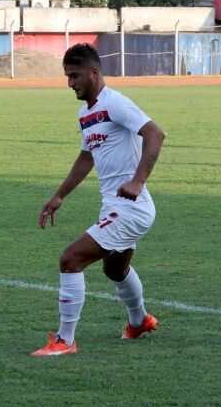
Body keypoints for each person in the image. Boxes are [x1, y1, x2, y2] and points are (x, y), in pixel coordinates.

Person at [31, 43, 166, 356]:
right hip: (115, 206)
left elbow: (155, 134)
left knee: (70, 259)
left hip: (131, 208)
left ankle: (65, 341)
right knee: (115, 270)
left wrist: (138, 180)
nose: (70, 83)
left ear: (94, 72)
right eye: (67, 76)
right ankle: (139, 321)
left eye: (75, 75)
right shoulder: (86, 114)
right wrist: (59, 195)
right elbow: (86, 157)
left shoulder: (114, 102)